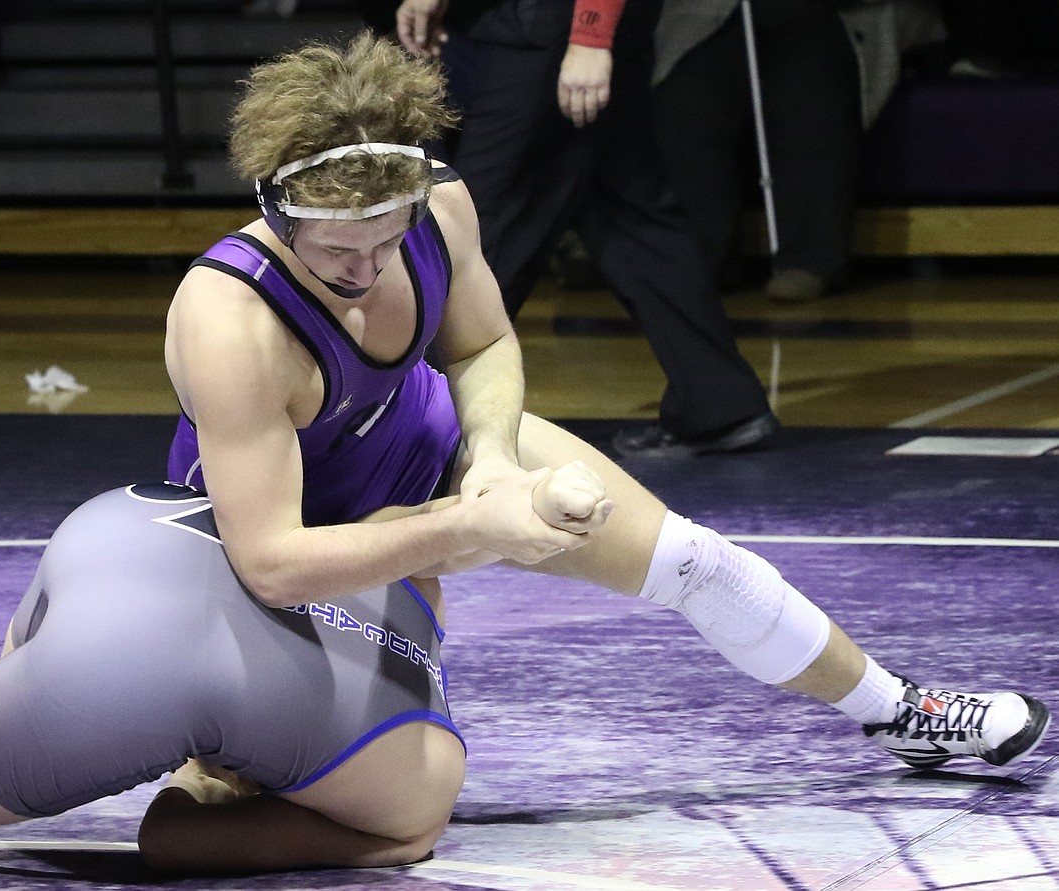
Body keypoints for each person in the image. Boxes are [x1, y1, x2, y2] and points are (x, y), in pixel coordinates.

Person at [162, 28, 1050, 789]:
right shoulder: (228, 316)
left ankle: (897, 710)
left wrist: (495, 460)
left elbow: (480, 345)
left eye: (384, 244)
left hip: (413, 441)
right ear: (278, 206)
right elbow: (274, 562)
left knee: (695, 560)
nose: (362, 270)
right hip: (272, 524)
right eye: (335, 251)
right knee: (240, 799)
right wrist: (468, 525)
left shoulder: (441, 206)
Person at [0, 465, 605, 873]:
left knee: (19, 691)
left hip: (127, 525)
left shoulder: (413, 585)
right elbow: (169, 838)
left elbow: (427, 525)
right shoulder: (412, 808)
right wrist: (192, 774)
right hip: (136, 671)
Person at [395, 0, 780, 456]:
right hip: (571, 30)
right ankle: (720, 404)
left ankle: (413, 424)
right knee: (629, 214)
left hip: (558, 31)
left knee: (479, 222)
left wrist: (590, 37)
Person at [651, 0, 863, 302]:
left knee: (812, 96)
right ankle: (698, 258)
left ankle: (811, 258)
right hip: (703, 14)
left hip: (829, 13)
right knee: (689, 101)